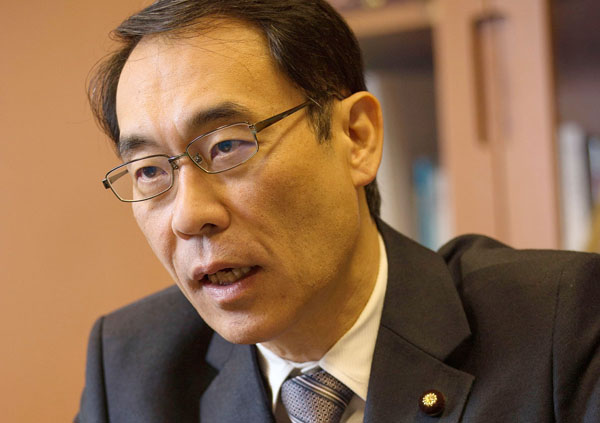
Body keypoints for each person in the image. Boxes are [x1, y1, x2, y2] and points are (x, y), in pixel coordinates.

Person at [75, 1, 600, 422]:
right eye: (149, 171)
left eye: (228, 146)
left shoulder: (559, 326)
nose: (189, 216)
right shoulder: (129, 370)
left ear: (357, 137)